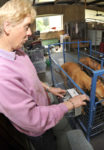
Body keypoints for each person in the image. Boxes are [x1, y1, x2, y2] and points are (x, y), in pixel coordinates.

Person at [0, 0, 89, 150]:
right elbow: (33, 120)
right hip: (38, 130)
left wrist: (48, 89)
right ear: (7, 26)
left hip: (46, 108)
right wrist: (70, 104)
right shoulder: (3, 74)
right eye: (26, 26)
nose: (30, 32)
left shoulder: (18, 51)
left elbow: (29, 80)